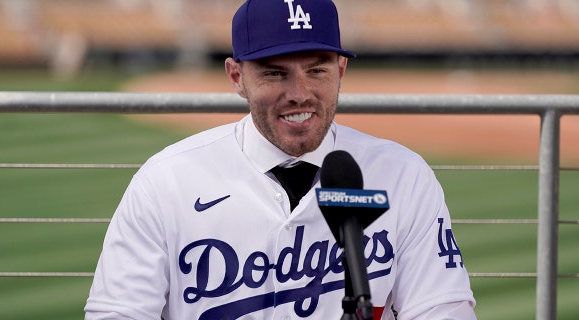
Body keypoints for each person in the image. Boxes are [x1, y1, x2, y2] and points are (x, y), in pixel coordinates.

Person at [84, 0, 477, 319]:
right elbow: (118, 312)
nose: (300, 93)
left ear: (341, 70)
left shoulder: (403, 176)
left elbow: (443, 309)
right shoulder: (165, 182)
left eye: (317, 70)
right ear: (236, 77)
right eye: (275, 74)